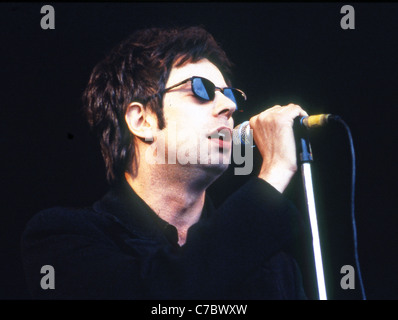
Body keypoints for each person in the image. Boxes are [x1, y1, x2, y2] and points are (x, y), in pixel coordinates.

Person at [21, 26, 309, 299]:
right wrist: (274, 173)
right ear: (142, 120)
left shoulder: (273, 266)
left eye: (230, 95)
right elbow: (167, 292)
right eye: (201, 89)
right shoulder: (64, 239)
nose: (229, 106)